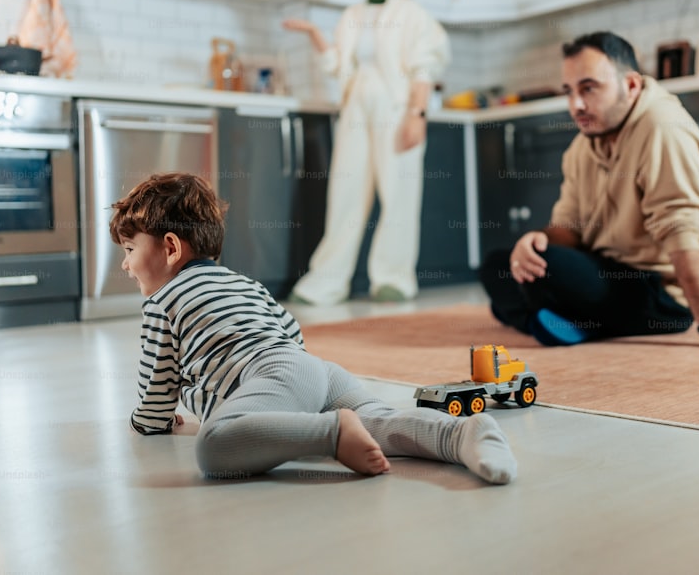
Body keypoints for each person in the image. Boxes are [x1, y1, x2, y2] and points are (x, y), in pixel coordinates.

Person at [110, 172, 516, 484]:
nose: (126, 264)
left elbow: (158, 383)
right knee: (379, 420)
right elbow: (288, 328)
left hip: (272, 375)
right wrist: (302, 383)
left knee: (215, 446)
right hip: (314, 369)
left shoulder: (162, 301)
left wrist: (149, 422)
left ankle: (331, 434)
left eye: (130, 250)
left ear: (170, 248)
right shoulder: (245, 282)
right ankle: (459, 435)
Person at [480, 32, 699, 351]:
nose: (576, 105)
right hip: (605, 272)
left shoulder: (663, 129)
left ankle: (548, 318)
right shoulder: (582, 146)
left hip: (660, 293)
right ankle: (561, 321)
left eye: (589, 89)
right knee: (500, 265)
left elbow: (680, 234)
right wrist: (534, 241)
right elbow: (568, 228)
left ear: (630, 85)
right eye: (569, 92)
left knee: (535, 282)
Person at [282, 0, 450, 305]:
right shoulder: (353, 15)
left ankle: (393, 279)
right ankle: (327, 282)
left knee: (399, 196)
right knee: (344, 194)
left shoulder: (411, 13)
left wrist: (416, 115)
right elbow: (339, 65)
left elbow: (425, 67)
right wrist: (314, 34)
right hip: (356, 108)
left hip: (397, 109)